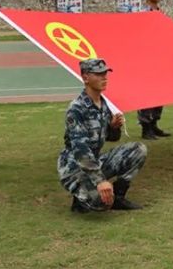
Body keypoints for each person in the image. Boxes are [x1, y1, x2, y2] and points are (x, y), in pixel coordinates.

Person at [57, 58, 147, 213]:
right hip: (74, 168)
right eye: (98, 74)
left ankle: (118, 197)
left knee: (138, 149)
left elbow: (112, 138)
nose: (104, 77)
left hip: (94, 161)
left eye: (105, 73)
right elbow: (81, 150)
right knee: (102, 203)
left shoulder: (104, 104)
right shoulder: (77, 109)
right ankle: (80, 199)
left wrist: (113, 127)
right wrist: (100, 181)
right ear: (86, 78)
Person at [135, 0, 172, 140]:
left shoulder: (161, 11)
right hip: (145, 59)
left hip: (160, 58)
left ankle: (155, 123)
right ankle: (145, 127)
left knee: (159, 92)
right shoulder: (141, 13)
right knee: (146, 93)